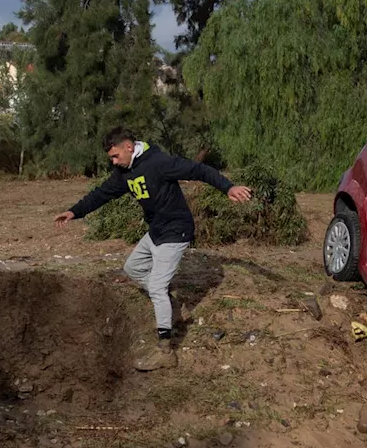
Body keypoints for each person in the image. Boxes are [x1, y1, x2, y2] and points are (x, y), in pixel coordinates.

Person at [53, 127, 253, 371]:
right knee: (132, 267)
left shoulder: (159, 163)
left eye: (115, 156)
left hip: (176, 230)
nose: (114, 161)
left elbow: (198, 170)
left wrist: (228, 187)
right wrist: (75, 211)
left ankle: (165, 351)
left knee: (157, 286)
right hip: (157, 230)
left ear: (128, 147)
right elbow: (102, 194)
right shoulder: (123, 171)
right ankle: (171, 307)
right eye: (111, 158)